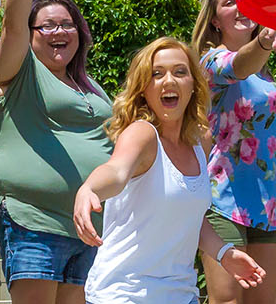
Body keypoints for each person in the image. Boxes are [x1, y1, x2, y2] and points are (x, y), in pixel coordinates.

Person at [0, 0, 115, 304]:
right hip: (32, 217)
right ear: (32, 33)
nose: (59, 32)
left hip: (84, 225)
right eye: (47, 26)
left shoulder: (89, 83)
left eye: (67, 25)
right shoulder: (20, 70)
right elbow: (12, 27)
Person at [72, 37, 265, 303]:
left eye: (180, 72)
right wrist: (89, 189)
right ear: (144, 89)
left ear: (193, 86)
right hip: (124, 294)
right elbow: (116, 172)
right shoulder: (142, 134)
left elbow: (190, 216)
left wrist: (224, 253)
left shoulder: (200, 142)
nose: (169, 80)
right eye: (157, 74)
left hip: (181, 295)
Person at [190, 0, 276, 304]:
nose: (239, 8)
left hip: (266, 211)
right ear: (216, 19)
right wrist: (263, 41)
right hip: (221, 205)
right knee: (228, 301)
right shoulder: (211, 60)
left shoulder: (266, 75)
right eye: (230, 3)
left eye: (246, 1)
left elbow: (269, 152)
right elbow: (238, 66)